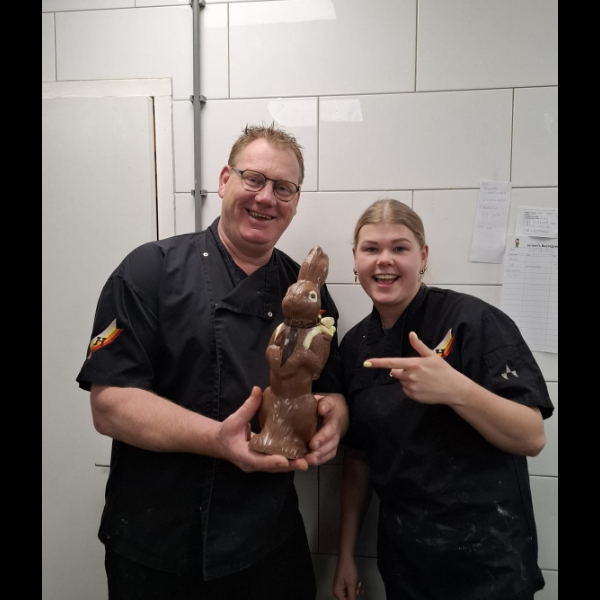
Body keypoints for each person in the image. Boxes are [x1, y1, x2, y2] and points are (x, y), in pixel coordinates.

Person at [76, 124, 349, 600]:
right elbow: (110, 405)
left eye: (283, 188)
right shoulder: (149, 270)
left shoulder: (306, 291)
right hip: (157, 541)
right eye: (253, 179)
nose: (266, 198)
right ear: (224, 180)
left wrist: (336, 419)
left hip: (267, 539)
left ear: (295, 201)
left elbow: (332, 387)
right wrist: (217, 440)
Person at [333, 199, 554, 600]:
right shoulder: (354, 347)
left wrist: (457, 391)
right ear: (355, 259)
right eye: (371, 249)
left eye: (399, 248)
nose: (384, 260)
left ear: (423, 257)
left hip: (489, 565)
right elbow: (359, 457)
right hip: (407, 565)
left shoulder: (473, 322)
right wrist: (345, 554)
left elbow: (531, 436)